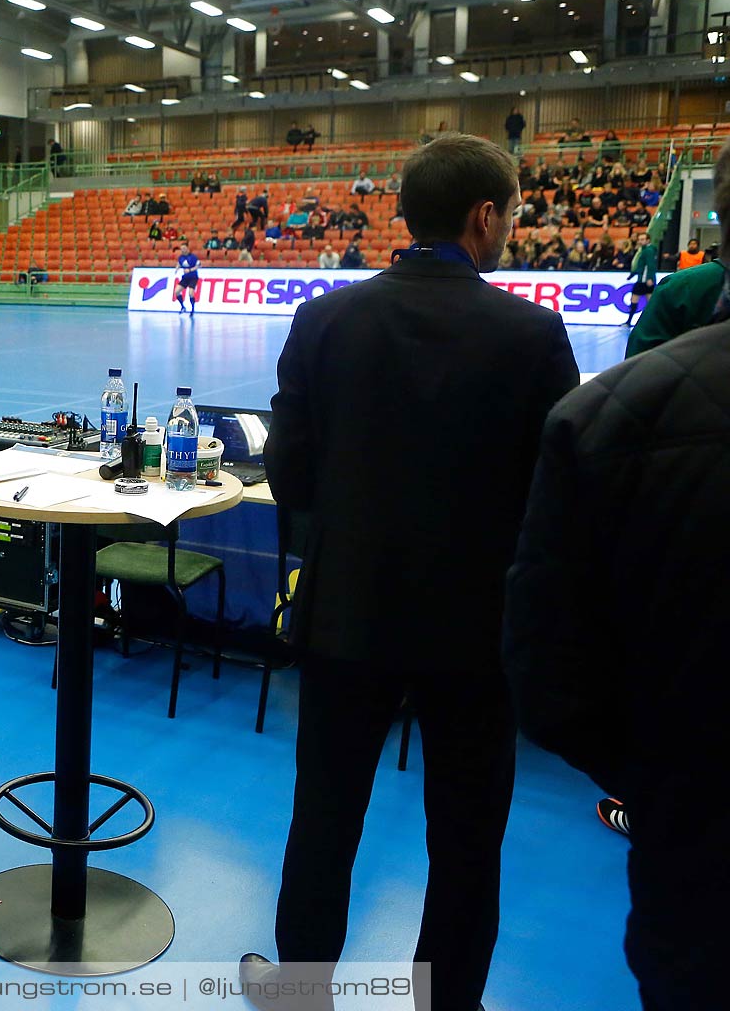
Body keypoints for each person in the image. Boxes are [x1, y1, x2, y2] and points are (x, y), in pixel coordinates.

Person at [241, 133, 579, 1011]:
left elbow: (289, 476)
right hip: (476, 636)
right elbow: (557, 497)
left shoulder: (325, 319)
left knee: (323, 820)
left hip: (348, 617)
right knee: (467, 845)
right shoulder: (535, 334)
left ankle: (301, 994)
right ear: (483, 217)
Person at [503, 311, 730, 1010]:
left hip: (695, 838)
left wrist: (656, 784)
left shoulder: (613, 413)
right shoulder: (563, 369)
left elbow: (551, 671)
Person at [625, 148, 730, 349]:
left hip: (681, 281)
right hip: (681, 278)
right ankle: (630, 319)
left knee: (648, 302)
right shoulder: (681, 279)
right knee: (645, 300)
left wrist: (648, 277)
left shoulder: (677, 288)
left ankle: (631, 320)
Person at [173, 239, 200, 315]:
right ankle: (182, 307)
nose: (183, 250)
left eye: (184, 249)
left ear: (188, 249)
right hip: (185, 278)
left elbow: (199, 265)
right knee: (177, 291)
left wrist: (190, 270)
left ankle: (192, 309)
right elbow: (179, 263)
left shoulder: (193, 257)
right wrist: (177, 268)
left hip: (193, 277)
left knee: (191, 293)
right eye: (181, 249)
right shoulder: (181, 257)